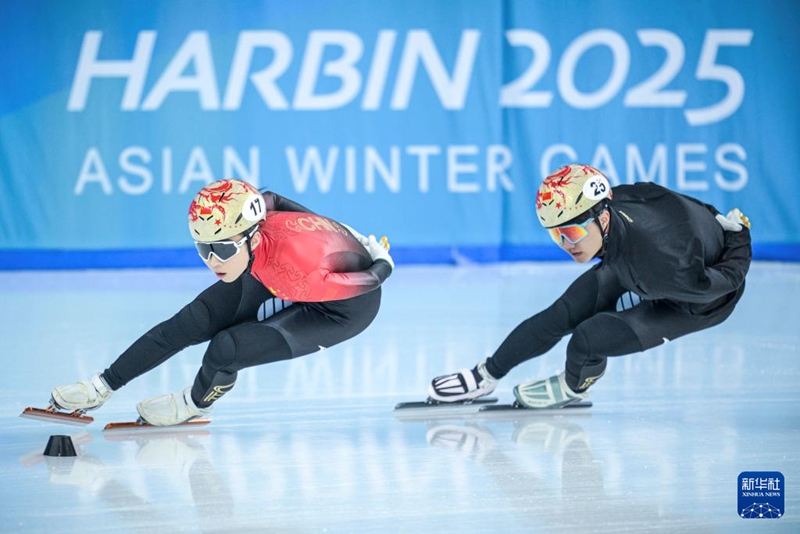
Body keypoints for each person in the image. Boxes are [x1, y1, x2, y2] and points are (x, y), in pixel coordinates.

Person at [51, 179, 394, 426]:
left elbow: (367, 283)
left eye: (223, 249)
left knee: (226, 348)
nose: (213, 261)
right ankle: (101, 386)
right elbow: (271, 197)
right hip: (272, 268)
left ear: (252, 236)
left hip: (341, 306)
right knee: (191, 322)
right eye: (204, 248)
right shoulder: (253, 227)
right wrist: (335, 229)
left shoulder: (299, 272)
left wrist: (382, 262)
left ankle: (193, 404)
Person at [428, 163, 751, 408]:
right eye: (557, 236)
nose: (566, 245)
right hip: (633, 260)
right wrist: (714, 214)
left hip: (698, 300)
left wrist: (738, 236)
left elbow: (729, 280)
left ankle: (573, 387)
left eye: (571, 234)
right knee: (563, 313)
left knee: (586, 340)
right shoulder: (617, 201)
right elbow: (673, 202)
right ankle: (485, 376)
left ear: (603, 219)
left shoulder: (664, 264)